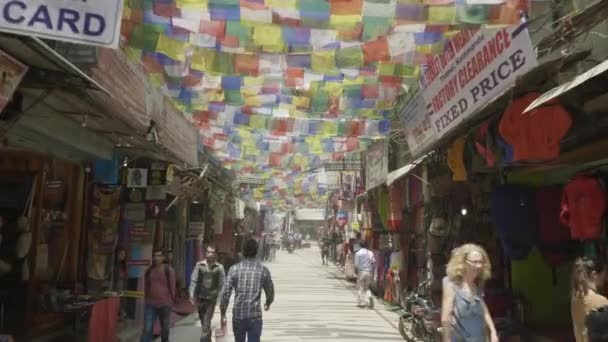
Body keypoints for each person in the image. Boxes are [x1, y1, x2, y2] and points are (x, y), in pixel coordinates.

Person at [220, 239, 275, 342]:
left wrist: (223, 312)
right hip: (255, 317)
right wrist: (268, 303)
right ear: (256, 251)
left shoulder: (234, 269)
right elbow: (270, 290)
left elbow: (225, 293)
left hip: (238, 316)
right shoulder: (263, 270)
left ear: (243, 251)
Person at [441, 244, 498, 342]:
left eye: (481, 262)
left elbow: (484, 310)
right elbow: (446, 317)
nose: (479, 266)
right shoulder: (451, 283)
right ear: (463, 262)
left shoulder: (478, 284)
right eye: (475, 262)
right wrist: (446, 339)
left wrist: (493, 331)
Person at [189, 246, 226, 342]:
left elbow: (222, 285)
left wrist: (220, 299)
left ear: (215, 254)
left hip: (211, 299)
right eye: (208, 252)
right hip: (200, 298)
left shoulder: (219, 267)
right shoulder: (199, 265)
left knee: (206, 323)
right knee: (204, 323)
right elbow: (194, 280)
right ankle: (208, 339)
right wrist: (191, 294)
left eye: (212, 252)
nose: (209, 254)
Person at [141, 249, 176, 342]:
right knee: (147, 329)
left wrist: (171, 302)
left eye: (159, 255)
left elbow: (172, 287)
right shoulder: (149, 271)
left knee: (164, 329)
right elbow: (146, 287)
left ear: (163, 257)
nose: (156, 258)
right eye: (155, 256)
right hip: (151, 304)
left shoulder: (169, 270)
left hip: (165, 304)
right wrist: (146, 300)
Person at [571, 257, 608, 342]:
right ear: (594, 275)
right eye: (604, 274)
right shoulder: (599, 300)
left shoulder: (576, 298)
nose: (605, 279)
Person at [354, 240, 375, 309]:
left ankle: (361, 303)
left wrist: (356, 271)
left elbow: (356, 264)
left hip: (361, 272)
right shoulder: (370, 253)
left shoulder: (358, 253)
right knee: (367, 288)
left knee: (360, 287)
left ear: (360, 246)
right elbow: (373, 262)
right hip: (369, 272)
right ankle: (370, 296)